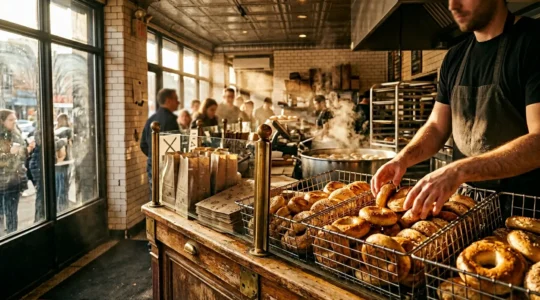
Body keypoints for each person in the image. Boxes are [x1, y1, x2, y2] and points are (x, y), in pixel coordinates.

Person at [371, 0, 540, 220]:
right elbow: (437, 126)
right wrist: (402, 159)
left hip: (526, 210)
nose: (452, 5)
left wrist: (459, 170)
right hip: (467, 208)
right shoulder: (455, 57)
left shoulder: (533, 43)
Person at [140, 89, 180, 198]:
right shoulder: (171, 120)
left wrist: (153, 156)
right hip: (167, 167)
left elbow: (143, 144)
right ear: (168, 101)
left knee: (154, 197)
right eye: (176, 99)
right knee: (168, 199)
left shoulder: (151, 119)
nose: (178, 102)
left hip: (152, 165)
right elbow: (176, 147)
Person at [0, 109, 27, 234]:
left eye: (15, 119)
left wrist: (26, 149)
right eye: (11, 120)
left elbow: (23, 157)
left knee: (11, 214)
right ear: (2, 121)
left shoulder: (16, 134)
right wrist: (9, 154)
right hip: (2, 180)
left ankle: (12, 238)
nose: (14, 122)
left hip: (13, 181)